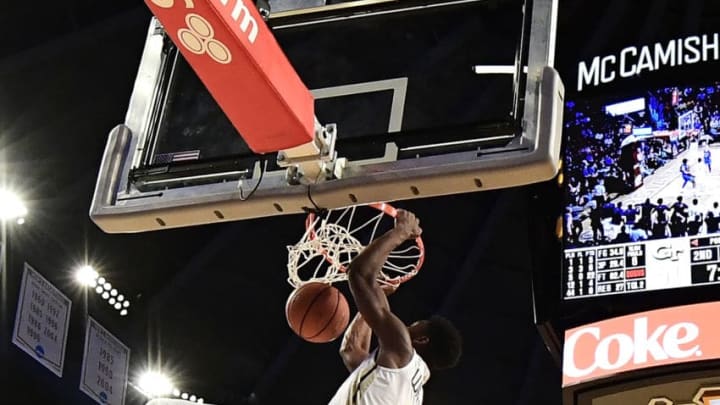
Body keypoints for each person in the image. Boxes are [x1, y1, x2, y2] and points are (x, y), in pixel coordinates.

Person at [329, 210, 462, 405]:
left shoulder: (403, 350)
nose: (407, 325)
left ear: (422, 339)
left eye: (416, 324)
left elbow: (359, 274)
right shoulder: (410, 387)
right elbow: (351, 350)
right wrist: (377, 295)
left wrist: (401, 231)